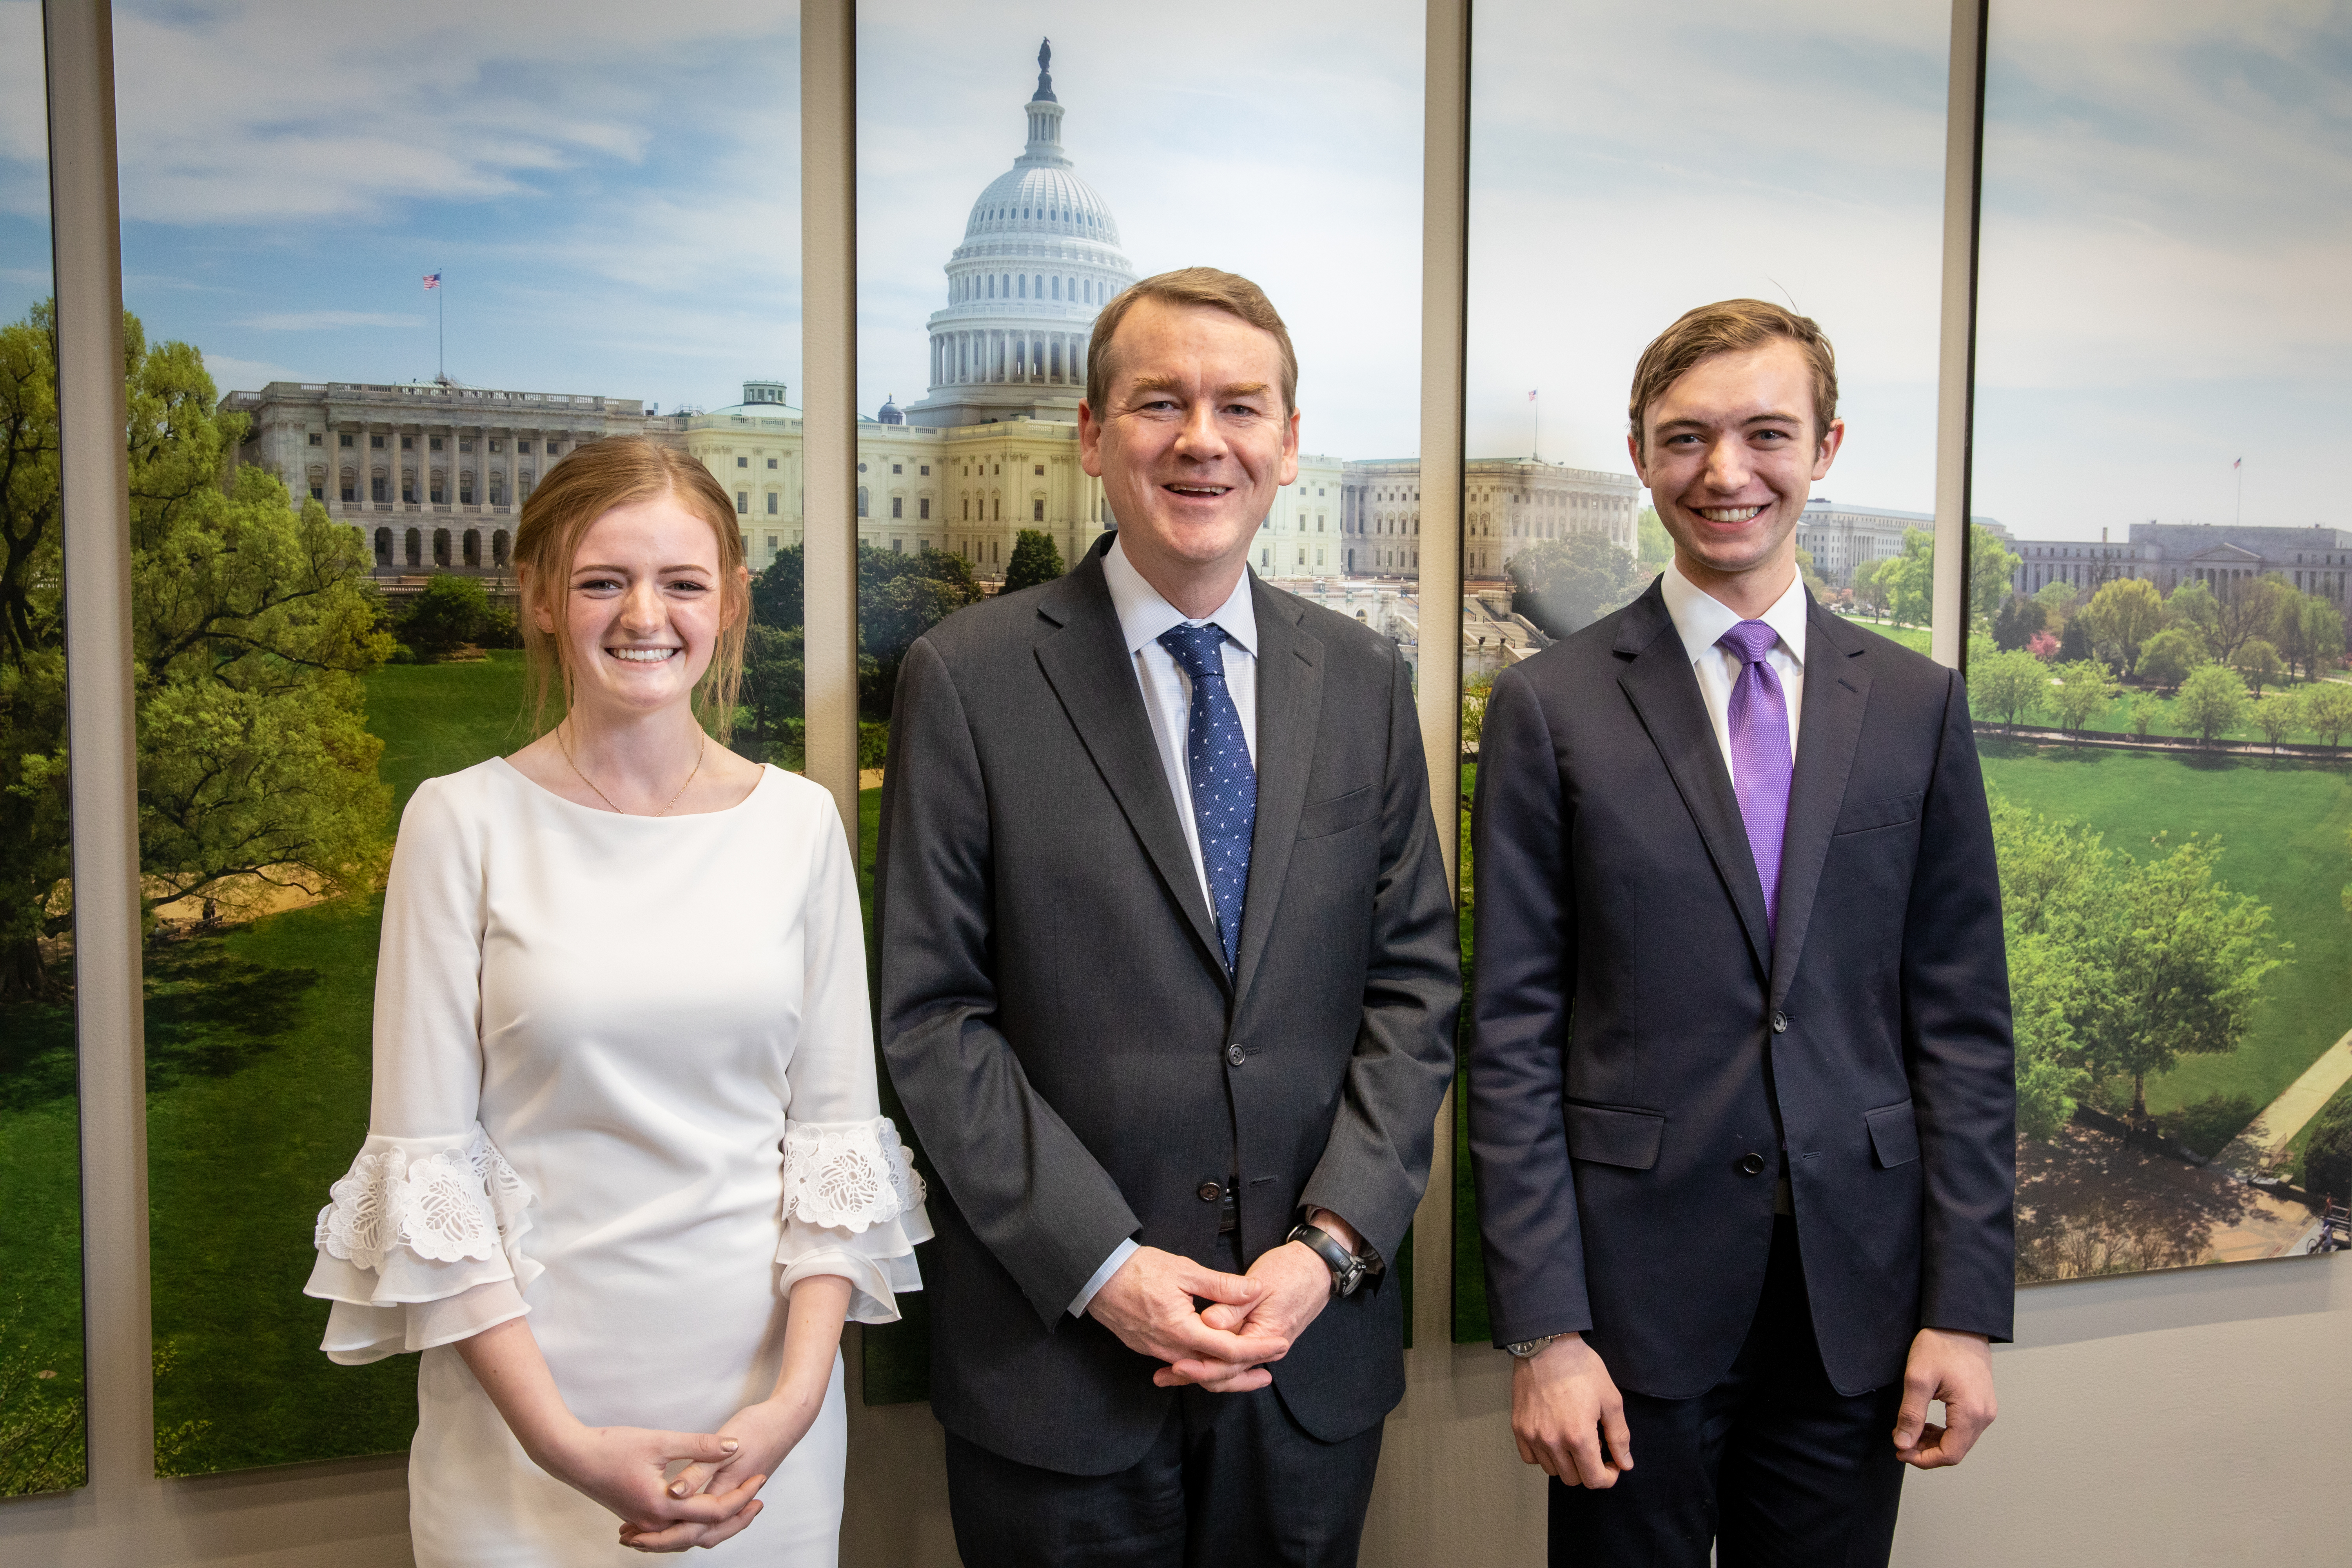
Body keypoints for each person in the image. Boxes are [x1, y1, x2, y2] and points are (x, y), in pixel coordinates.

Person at [875, 267, 1460, 1566]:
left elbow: (1416, 989)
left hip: (1304, 1359)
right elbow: (932, 1022)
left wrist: (1331, 1247)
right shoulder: (966, 680)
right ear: (1092, 434)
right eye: (1159, 403)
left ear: (1289, 444)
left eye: (1241, 406)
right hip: (1060, 1368)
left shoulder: (1362, 679)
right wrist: (1105, 1268)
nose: (1204, 439)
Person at [304, 436, 928, 1564]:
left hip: (763, 1436)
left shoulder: (799, 828)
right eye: (604, 580)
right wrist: (564, 1445)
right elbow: (426, 1174)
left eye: (682, 582)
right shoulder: (460, 824)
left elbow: (837, 1150)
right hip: (523, 1433)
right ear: (542, 598)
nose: (646, 614)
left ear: (730, 601)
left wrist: (792, 1406)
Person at [1467, 300, 2015, 1566]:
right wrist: (1547, 1333)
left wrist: (1965, 1309)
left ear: (1825, 447)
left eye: (1766, 433)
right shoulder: (1550, 708)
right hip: (1626, 1315)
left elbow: (1964, 1032)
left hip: (1857, 1310)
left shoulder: (1919, 708)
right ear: (1640, 451)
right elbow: (1509, 1037)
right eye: (1687, 438)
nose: (1726, 474)